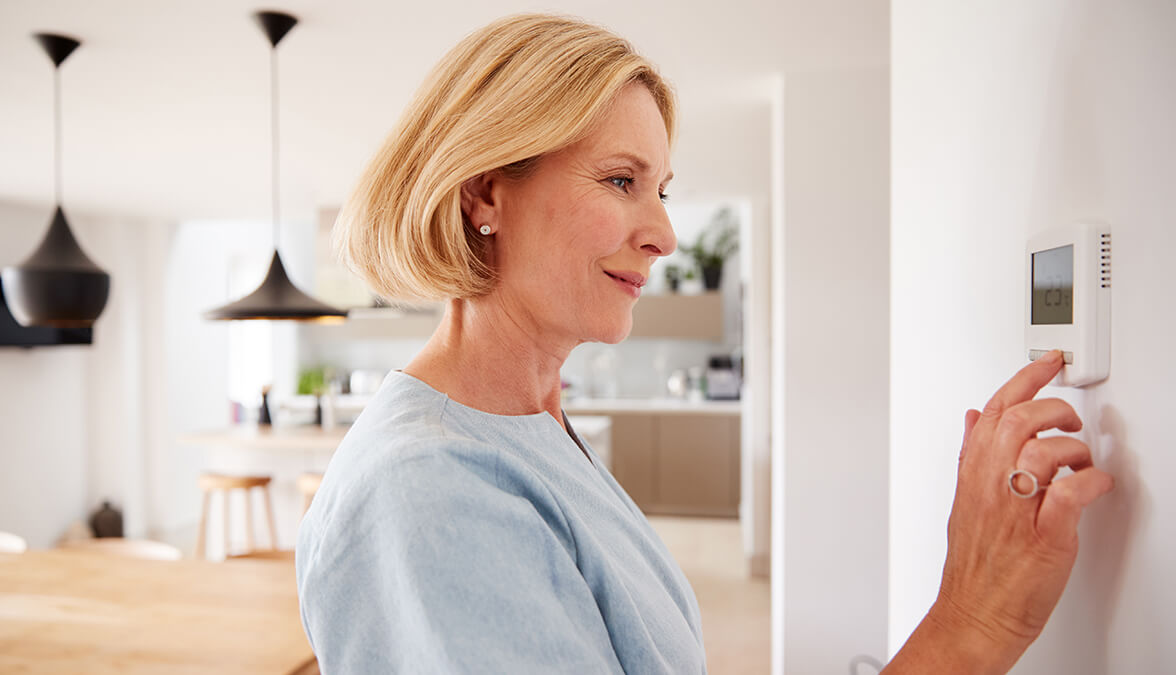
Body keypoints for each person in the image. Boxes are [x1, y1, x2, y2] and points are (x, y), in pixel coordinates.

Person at [295, 14, 1114, 673]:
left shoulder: (531, 424)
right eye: (621, 181)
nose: (663, 233)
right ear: (486, 194)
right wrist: (972, 625)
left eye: (661, 189)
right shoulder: (433, 490)